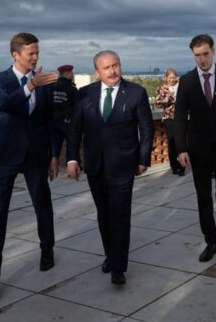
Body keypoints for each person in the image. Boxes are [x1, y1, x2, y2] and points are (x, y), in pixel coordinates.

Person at [0, 33, 59, 305]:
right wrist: (30, 86)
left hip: (36, 155)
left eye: (37, 52)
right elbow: (5, 104)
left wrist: (53, 154)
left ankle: (47, 250)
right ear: (16, 55)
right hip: (6, 155)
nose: (36, 57)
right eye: (30, 54)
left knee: (43, 205)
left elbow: (49, 121)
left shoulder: (45, 82)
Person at [66, 51, 153, 285]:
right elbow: (75, 129)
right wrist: (72, 159)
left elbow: (146, 129)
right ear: (98, 71)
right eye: (107, 67)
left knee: (120, 216)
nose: (113, 71)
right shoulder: (84, 94)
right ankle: (110, 255)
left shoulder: (136, 93)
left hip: (124, 166)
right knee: (104, 215)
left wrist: (143, 159)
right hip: (95, 166)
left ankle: (118, 267)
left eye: (116, 65)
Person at [174, 34, 216, 270]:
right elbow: (180, 116)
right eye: (197, 55)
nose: (202, 59)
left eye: (205, 54)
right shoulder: (187, 81)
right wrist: (181, 148)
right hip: (198, 150)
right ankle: (210, 242)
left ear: (214, 52)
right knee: (203, 198)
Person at [153, 68, 184, 176]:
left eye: (173, 77)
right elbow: (156, 104)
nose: (172, 79)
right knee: (172, 142)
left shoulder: (181, 86)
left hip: (181, 117)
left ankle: (182, 166)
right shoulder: (162, 88)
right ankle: (174, 166)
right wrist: (167, 97)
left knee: (181, 142)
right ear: (165, 78)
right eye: (170, 77)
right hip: (168, 118)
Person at [52, 64, 78, 163]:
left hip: (53, 122)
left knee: (55, 146)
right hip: (68, 122)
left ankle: (53, 165)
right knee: (71, 145)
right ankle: (71, 165)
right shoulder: (72, 89)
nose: (72, 75)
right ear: (67, 73)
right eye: (71, 73)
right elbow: (76, 107)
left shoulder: (52, 87)